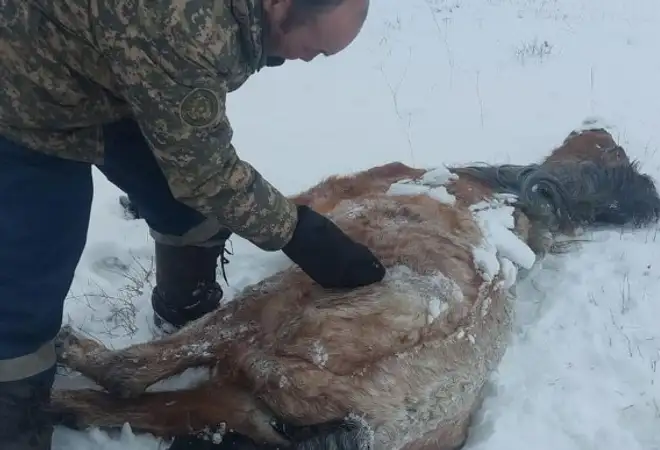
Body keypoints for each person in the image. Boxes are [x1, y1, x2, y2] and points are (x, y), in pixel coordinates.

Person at [0, 0, 385, 448]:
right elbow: (205, 174)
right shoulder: (187, 25)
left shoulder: (236, 21)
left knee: (190, 210)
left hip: (112, 75)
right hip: (24, 94)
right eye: (312, 48)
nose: (307, 59)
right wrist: (302, 233)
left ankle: (183, 311)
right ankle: (15, 418)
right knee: (30, 272)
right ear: (280, 6)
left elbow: (190, 146)